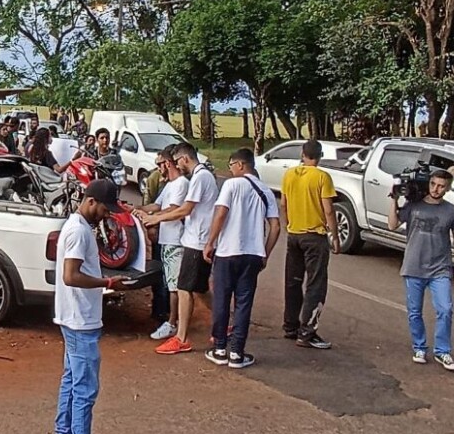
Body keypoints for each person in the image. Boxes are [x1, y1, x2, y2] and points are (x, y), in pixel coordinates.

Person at [54, 179, 128, 434]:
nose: (106, 214)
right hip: (79, 320)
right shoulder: (79, 231)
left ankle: (63, 433)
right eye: (104, 209)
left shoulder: (78, 227)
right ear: (90, 201)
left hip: (75, 317)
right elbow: (70, 276)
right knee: (85, 389)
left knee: (72, 382)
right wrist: (107, 283)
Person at [203, 148, 281, 369]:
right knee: (243, 304)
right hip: (253, 254)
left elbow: (220, 213)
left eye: (230, 166)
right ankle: (237, 353)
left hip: (228, 252)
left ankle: (219, 348)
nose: (229, 171)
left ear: (239, 165)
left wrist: (210, 242)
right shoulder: (266, 191)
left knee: (221, 299)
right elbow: (275, 227)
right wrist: (265, 252)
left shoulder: (231, 185)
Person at [142, 142, 218, 355]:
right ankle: (224, 322)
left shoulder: (199, 178)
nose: (175, 166)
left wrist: (155, 218)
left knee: (184, 289)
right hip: (196, 240)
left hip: (195, 241)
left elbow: (183, 209)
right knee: (199, 289)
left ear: (185, 159)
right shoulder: (200, 177)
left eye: (176, 162)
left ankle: (181, 337)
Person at [387, 169, 454, 372]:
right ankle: (419, 347)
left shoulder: (452, 211)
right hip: (414, 266)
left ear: (447, 188)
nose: (436, 189)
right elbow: (392, 225)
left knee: (445, 309)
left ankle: (442, 351)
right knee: (414, 312)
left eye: (441, 186)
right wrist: (394, 200)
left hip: (440, 267)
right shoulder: (414, 205)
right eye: (433, 184)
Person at [280, 139, 339, 349]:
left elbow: (284, 204)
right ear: (320, 155)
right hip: (315, 236)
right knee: (315, 284)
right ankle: (307, 331)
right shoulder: (322, 177)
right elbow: (329, 210)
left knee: (293, 281)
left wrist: (288, 225)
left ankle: (290, 325)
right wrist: (335, 236)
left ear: (302, 154)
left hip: (294, 234)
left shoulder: (289, 175)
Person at [134, 146, 187, 340]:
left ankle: (173, 322)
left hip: (175, 241)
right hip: (167, 240)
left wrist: (152, 217)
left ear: (166, 163)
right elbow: (157, 205)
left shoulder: (180, 184)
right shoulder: (170, 185)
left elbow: (172, 209)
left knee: (173, 286)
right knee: (169, 282)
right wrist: (137, 208)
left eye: (159, 164)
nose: (158, 169)